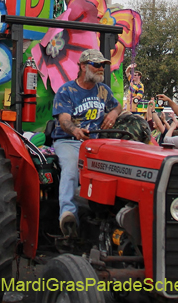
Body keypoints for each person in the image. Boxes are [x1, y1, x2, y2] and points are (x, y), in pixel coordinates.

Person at [51, 49, 120, 238]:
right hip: (69, 141)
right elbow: (64, 120)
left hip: (96, 144)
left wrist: (113, 113)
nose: (100, 69)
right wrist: (75, 130)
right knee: (72, 167)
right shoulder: (67, 91)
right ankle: (68, 215)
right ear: (82, 66)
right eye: (96, 65)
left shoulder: (103, 90)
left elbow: (117, 106)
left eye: (103, 66)